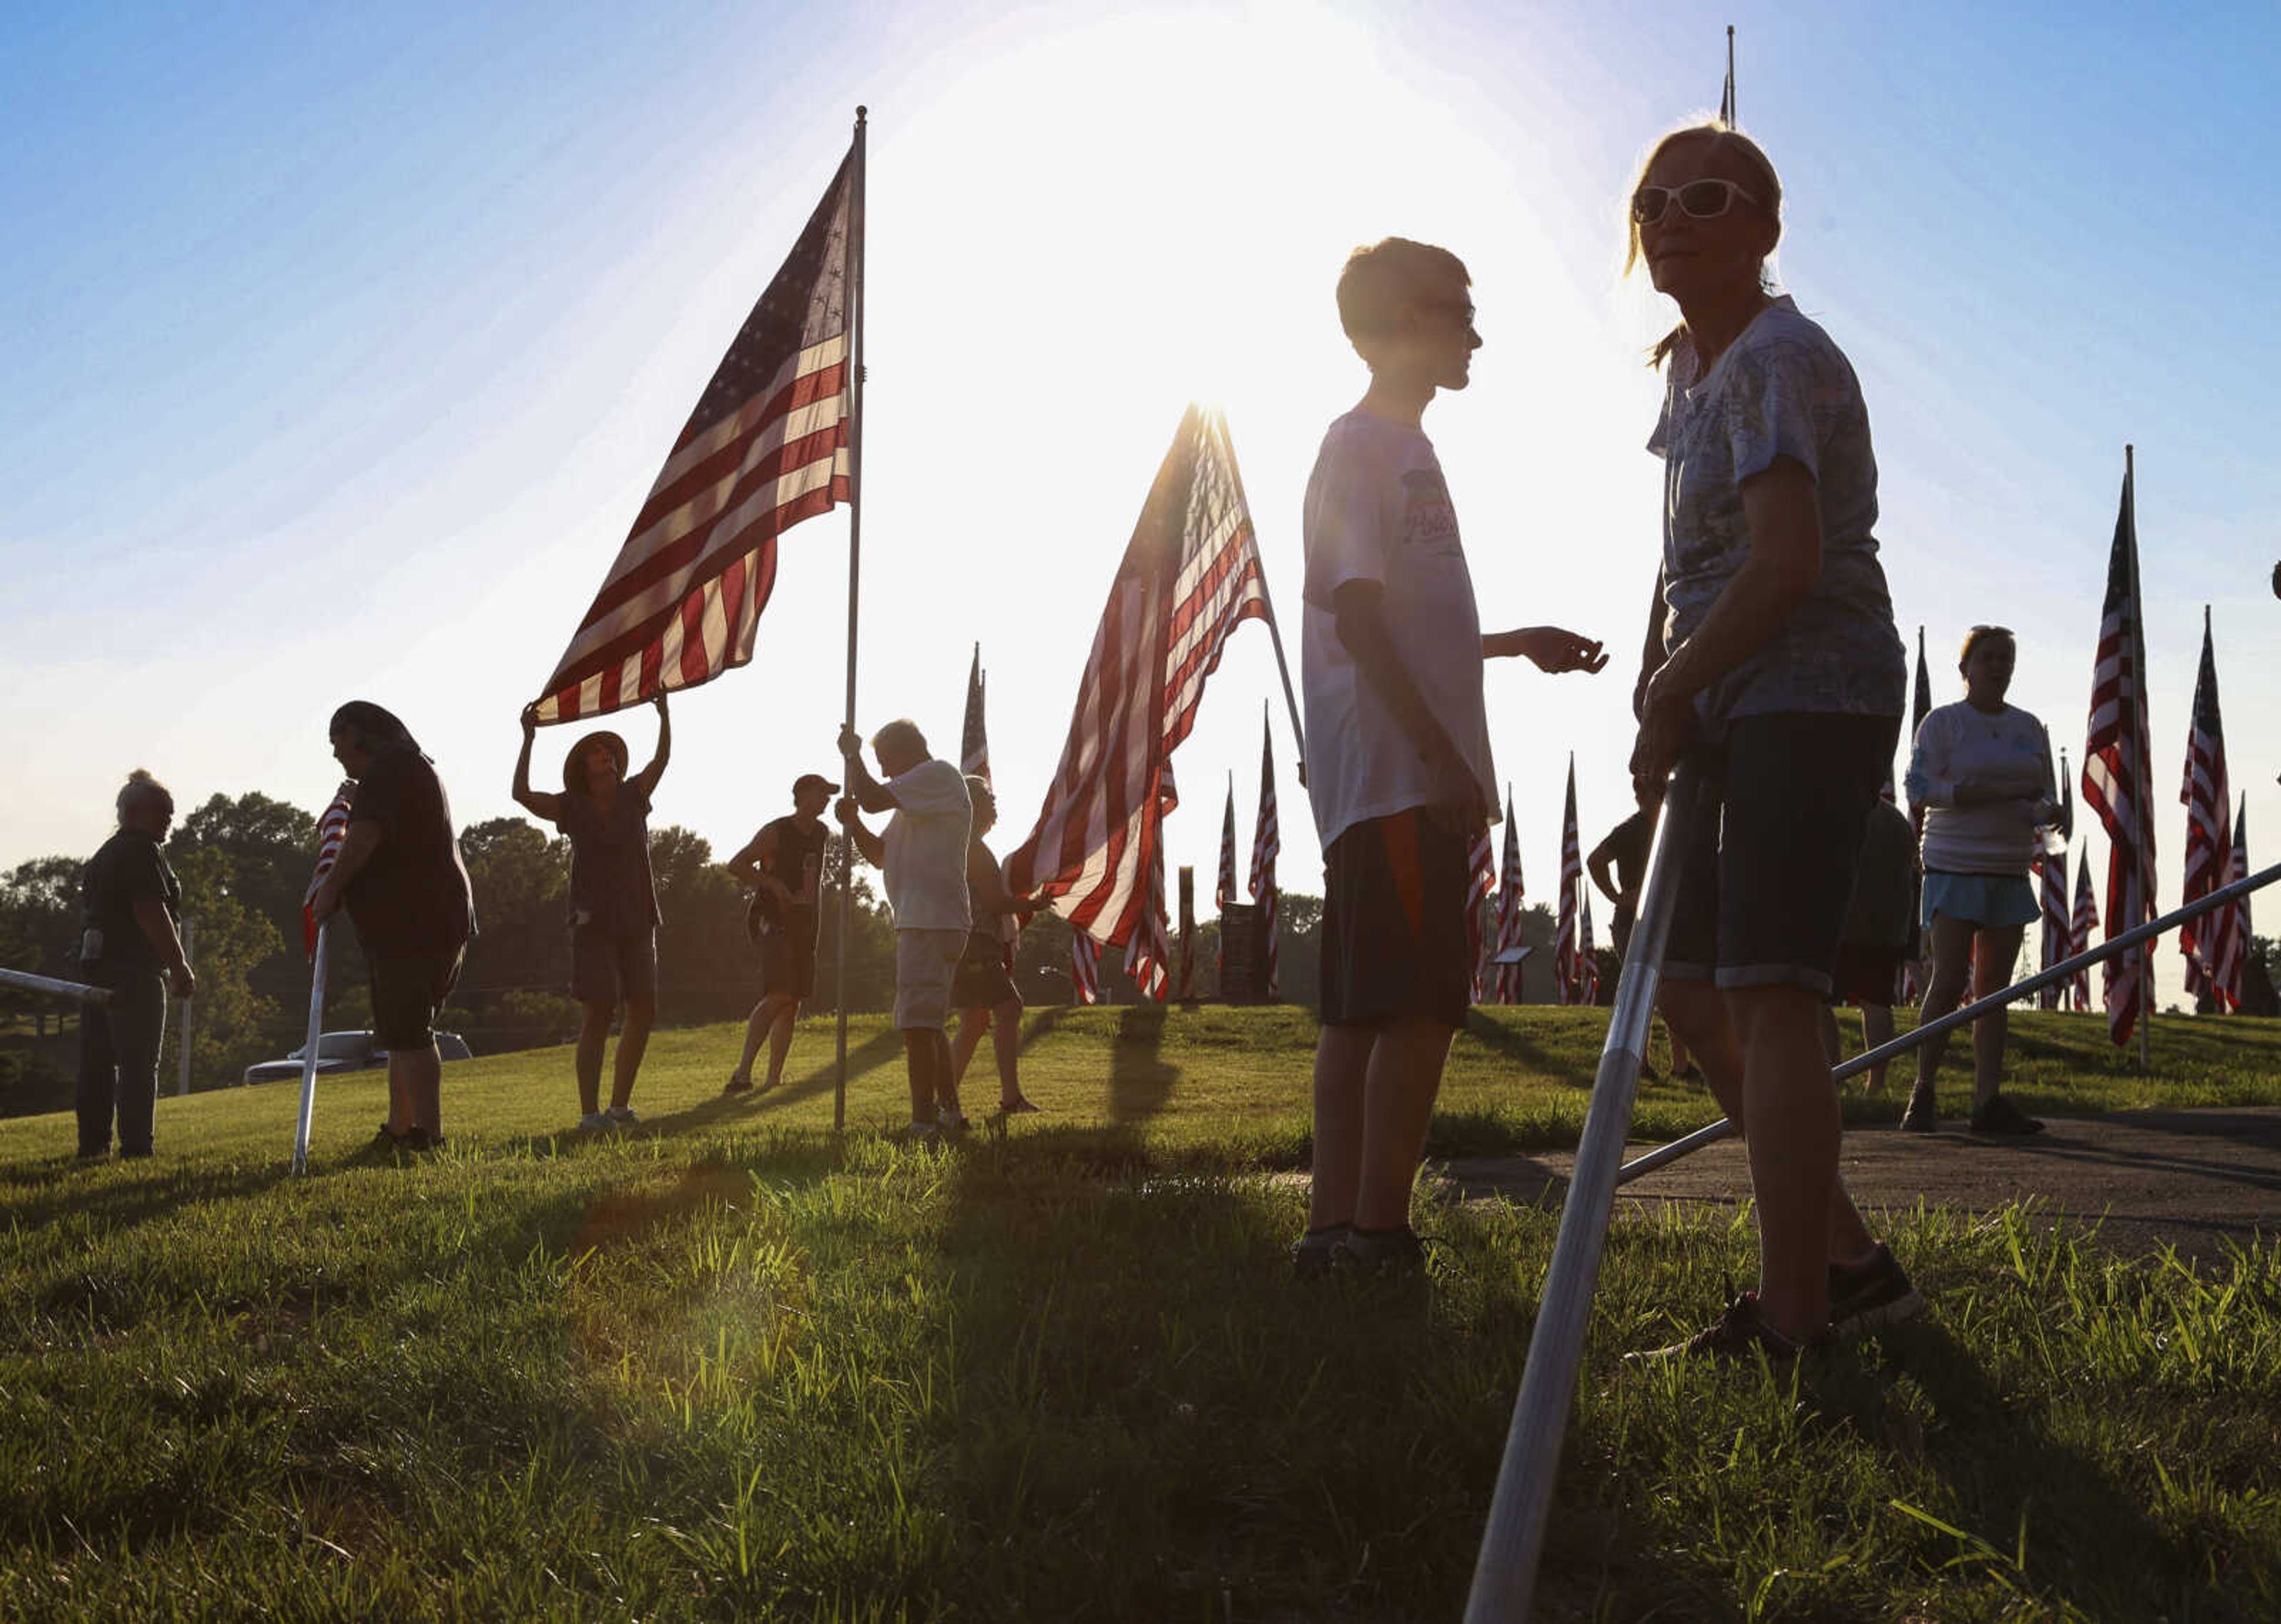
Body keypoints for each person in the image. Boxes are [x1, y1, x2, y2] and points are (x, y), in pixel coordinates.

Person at [1623, 123, 1919, 1358]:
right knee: (1689, 985)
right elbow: (1691, 567)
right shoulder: (1690, 373)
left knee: (1772, 992)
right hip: (1728, 693)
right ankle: (1843, 1254)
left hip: (1811, 686)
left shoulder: (1775, 358)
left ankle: (1794, 1315)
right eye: (1654, 198)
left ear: (1764, 227)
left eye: (1707, 195)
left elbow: (1786, 564)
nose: (1674, 215)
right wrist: (1664, 686)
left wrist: (1678, 683)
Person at [1298, 236, 1607, 1276]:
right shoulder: (1361, 445)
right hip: (1394, 776)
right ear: (1389, 327)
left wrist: (1515, 645)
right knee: (1415, 1009)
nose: (1473, 331)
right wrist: (1438, 756)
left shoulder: (1408, 451)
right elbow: (1357, 617)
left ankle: (1336, 1230)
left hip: (1391, 771)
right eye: (1453, 310)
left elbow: (1402, 620)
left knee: (1363, 1007)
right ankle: (1374, 1232)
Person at [1900, 626, 2059, 1134]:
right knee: (1948, 980)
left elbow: (2040, 793)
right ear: (1966, 667)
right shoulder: (1943, 724)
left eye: (2006, 659)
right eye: (1988, 657)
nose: (1998, 667)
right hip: (1955, 863)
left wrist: (2044, 812)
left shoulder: (2029, 727)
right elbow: (1920, 787)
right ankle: (1922, 1090)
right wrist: (1974, 791)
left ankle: (1986, 1101)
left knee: (1994, 989)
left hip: (2009, 866)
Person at [309, 702, 475, 1152]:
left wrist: (330, 889)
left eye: (336, 739)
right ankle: (401, 1128)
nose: (335, 753)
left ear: (360, 734)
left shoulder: (389, 770)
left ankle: (427, 1135)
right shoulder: (406, 768)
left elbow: (364, 837)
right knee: (401, 1032)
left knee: (412, 1031)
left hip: (414, 922)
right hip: (429, 919)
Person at [513, 694, 669, 1130]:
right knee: (598, 1011)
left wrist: (664, 715)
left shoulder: (635, 794)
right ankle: (589, 1114)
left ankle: (620, 1107)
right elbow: (521, 794)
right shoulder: (571, 806)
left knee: (644, 1006)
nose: (606, 756)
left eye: (610, 753)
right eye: (597, 754)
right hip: (593, 921)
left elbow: (662, 760)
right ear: (585, 768)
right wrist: (528, 738)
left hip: (639, 918)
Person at [834, 719, 972, 1140]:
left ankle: (922, 1122)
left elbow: (874, 797)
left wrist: (852, 755)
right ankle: (949, 1113)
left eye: (884, 761)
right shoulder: (917, 803)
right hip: (931, 918)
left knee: (917, 1027)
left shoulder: (937, 775)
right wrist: (854, 824)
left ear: (905, 751)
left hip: (928, 920)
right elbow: (879, 855)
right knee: (928, 1025)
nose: (886, 771)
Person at [74, 770, 194, 1160]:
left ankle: (93, 1146)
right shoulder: (141, 851)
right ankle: (137, 1148)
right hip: (134, 972)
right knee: (139, 1064)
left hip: (95, 967)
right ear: (134, 812)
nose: (168, 821)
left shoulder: (105, 854)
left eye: (171, 813)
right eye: (162, 812)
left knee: (97, 1062)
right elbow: (150, 910)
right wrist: (179, 966)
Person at [722, 772, 839, 1096]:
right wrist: (774, 885)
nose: (827, 799)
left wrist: (815, 917)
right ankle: (742, 1074)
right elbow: (737, 864)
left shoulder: (821, 832)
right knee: (780, 993)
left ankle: (774, 1077)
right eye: (822, 793)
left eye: (829, 794)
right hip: (771, 920)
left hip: (804, 923)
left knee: (793, 1001)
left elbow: (813, 881)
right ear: (802, 795)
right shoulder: (777, 831)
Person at [944, 776, 1053, 1120]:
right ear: (972, 805)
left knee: (976, 1021)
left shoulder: (962, 845)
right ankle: (1009, 1099)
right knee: (1008, 1008)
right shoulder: (974, 850)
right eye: (989, 797)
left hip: (962, 943)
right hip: (976, 944)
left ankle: (944, 1099)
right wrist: (1033, 905)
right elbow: (993, 902)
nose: (995, 802)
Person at [1585, 807, 1697, 1080]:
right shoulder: (1632, 829)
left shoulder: (1675, 824)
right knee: (1640, 992)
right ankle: (1641, 1065)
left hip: (1667, 919)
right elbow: (1595, 860)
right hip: (1633, 923)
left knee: (1671, 989)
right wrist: (1617, 897)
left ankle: (1680, 1066)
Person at [1819, 791, 1917, 1093]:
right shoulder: (1896, 821)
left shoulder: (1831, 812)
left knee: (1819, 1002)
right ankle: (1877, 1084)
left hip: (1838, 923)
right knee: (1877, 1003)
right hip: (1885, 929)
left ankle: (1833, 1076)